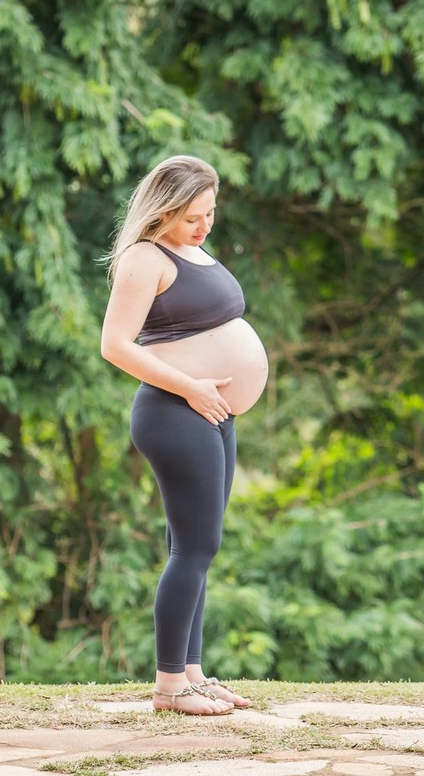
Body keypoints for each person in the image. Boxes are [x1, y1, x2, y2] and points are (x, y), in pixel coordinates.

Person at [100, 155, 270, 716]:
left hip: (211, 409)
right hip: (175, 410)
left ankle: (192, 675)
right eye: (192, 216)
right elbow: (116, 345)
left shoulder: (193, 250)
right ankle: (169, 686)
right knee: (196, 547)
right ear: (164, 209)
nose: (204, 225)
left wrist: (209, 390)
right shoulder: (143, 258)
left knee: (195, 545)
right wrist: (192, 386)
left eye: (210, 213)